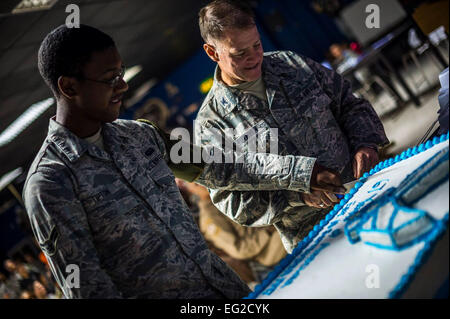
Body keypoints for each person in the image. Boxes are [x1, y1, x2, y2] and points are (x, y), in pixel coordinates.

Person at [23, 24, 344, 298]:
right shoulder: (51, 184)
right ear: (68, 86)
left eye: (120, 73)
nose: (123, 85)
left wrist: (299, 171)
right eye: (110, 78)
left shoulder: (140, 137)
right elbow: (90, 289)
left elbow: (222, 166)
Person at [195, 0, 390, 253]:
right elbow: (231, 201)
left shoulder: (292, 65)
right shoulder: (212, 124)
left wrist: (366, 144)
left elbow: (349, 105)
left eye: (256, 45)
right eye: (239, 54)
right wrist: (296, 196)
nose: (254, 58)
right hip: (315, 236)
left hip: (368, 190)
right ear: (212, 52)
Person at [183, 181, 287, 283]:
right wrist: (267, 232)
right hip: (269, 249)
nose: (203, 184)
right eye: (196, 184)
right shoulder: (209, 217)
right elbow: (239, 250)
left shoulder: (223, 196)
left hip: (276, 230)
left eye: (201, 181)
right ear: (191, 191)